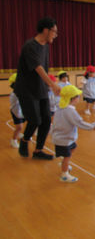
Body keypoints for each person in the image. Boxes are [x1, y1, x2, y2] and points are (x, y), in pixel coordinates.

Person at [15, 16, 60, 160]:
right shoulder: (30, 46)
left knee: (46, 120)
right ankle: (24, 140)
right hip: (26, 89)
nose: (55, 35)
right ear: (46, 30)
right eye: (54, 31)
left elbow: (44, 68)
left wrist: (48, 84)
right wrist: (52, 84)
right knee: (34, 120)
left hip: (40, 88)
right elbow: (38, 68)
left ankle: (38, 151)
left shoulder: (45, 46)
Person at [52, 85, 95, 182]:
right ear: (72, 98)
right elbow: (79, 122)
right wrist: (92, 127)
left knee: (73, 147)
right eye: (77, 96)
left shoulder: (61, 107)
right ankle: (64, 175)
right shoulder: (69, 111)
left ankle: (64, 164)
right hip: (63, 139)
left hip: (63, 138)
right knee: (67, 156)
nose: (79, 98)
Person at [9, 73, 25, 149]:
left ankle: (18, 134)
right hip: (16, 112)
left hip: (21, 111)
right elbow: (16, 109)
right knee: (19, 127)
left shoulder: (20, 91)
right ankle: (13, 140)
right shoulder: (15, 94)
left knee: (23, 124)